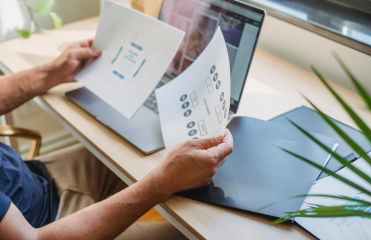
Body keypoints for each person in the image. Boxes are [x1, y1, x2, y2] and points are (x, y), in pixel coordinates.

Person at [0, 40, 233, 240]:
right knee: (196, 232)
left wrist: (50, 73)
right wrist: (161, 184)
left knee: (143, 152)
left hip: (31, 179)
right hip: (45, 229)